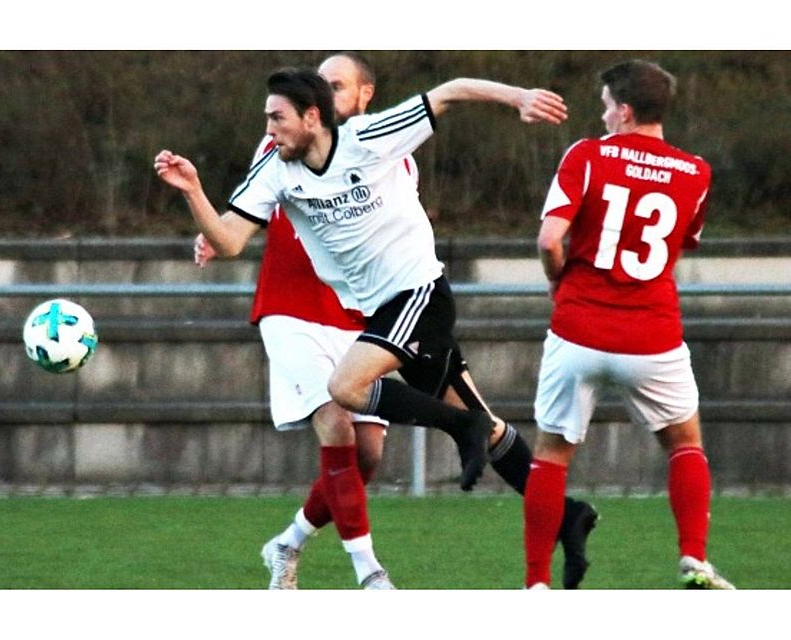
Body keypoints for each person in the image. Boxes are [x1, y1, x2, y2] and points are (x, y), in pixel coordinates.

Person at [196, 53, 599, 590]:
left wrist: (519, 98)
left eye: (336, 84)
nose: (273, 125)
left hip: (408, 299)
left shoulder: (381, 142)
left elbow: (449, 93)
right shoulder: (280, 154)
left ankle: (367, 551)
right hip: (348, 309)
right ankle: (565, 516)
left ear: (360, 95)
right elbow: (237, 229)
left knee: (357, 394)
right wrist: (200, 204)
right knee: (485, 424)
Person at [523, 59, 735, 589]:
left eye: (604, 107)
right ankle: (693, 557)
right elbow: (676, 245)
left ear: (623, 110)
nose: (601, 116)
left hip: (579, 330)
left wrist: (557, 280)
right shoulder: (696, 172)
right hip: (652, 335)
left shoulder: (587, 155)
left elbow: (550, 239)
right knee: (685, 443)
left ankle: (535, 585)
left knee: (552, 454)